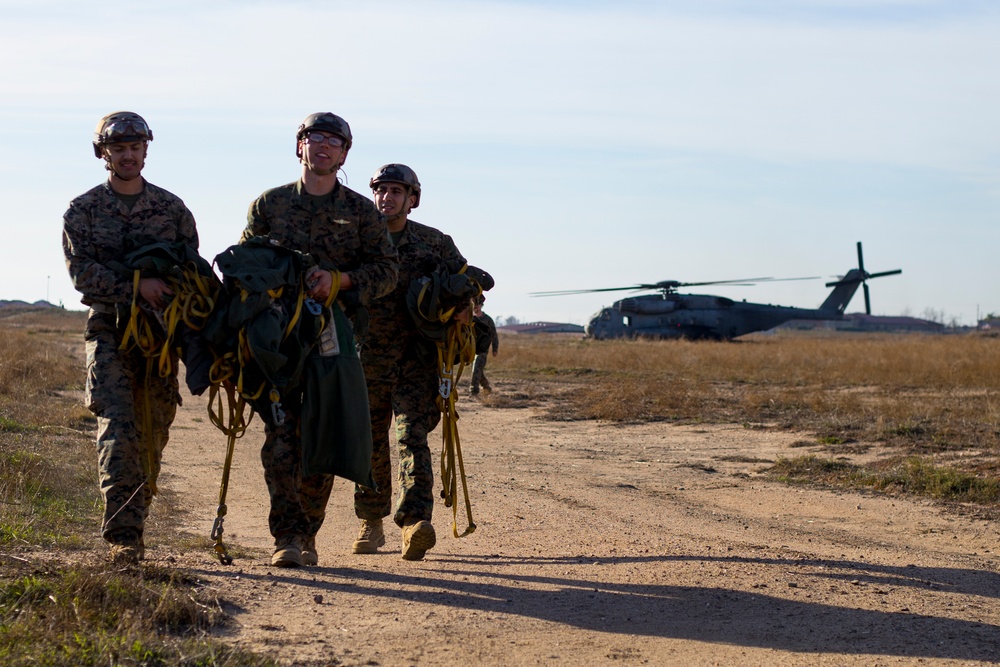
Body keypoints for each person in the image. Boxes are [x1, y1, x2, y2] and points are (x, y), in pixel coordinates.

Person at [243, 112, 397, 568]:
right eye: (315, 138)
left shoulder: (361, 212)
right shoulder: (269, 205)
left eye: (334, 141)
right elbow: (245, 264)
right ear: (300, 147)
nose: (324, 146)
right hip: (279, 341)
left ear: (345, 153)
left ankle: (308, 530)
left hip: (334, 340)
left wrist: (341, 281)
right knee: (281, 437)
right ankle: (288, 536)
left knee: (322, 438)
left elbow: (387, 272)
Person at [62, 111, 199, 566]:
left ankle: (136, 518)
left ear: (146, 150)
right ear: (104, 153)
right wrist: (135, 287)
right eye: (117, 147)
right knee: (118, 430)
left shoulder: (171, 209)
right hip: (109, 332)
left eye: (135, 146)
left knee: (152, 434)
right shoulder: (83, 210)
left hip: (161, 340)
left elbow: (191, 271)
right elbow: (82, 275)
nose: (127, 154)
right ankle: (124, 535)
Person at [353, 163, 467, 560]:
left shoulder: (435, 243)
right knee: (367, 443)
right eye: (381, 190)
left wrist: (466, 310)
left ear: (412, 199)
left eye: (396, 191)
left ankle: (415, 523)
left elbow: (466, 284)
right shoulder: (360, 242)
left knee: (411, 438)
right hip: (365, 360)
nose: (387, 197)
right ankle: (372, 521)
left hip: (418, 362)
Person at [471, 296, 499, 395]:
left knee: (476, 368)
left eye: (477, 305)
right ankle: (486, 387)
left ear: (481, 306)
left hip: (482, 349)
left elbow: (493, 334)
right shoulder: (470, 318)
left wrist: (495, 348)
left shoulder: (487, 320)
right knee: (478, 370)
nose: (475, 307)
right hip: (470, 349)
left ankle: (474, 391)